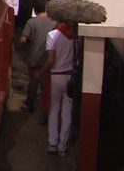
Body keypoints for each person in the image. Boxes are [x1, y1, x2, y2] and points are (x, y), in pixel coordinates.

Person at [36, 22, 75, 157]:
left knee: (54, 110)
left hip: (55, 76)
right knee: (67, 112)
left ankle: (52, 143)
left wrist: (40, 73)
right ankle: (62, 147)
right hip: (70, 77)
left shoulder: (52, 35)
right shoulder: (75, 37)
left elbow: (50, 60)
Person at [20, 0, 57, 115]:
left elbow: (23, 40)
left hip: (34, 58)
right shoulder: (54, 22)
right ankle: (44, 108)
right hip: (48, 58)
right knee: (45, 84)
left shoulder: (31, 22)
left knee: (33, 82)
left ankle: (30, 104)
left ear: (34, 10)